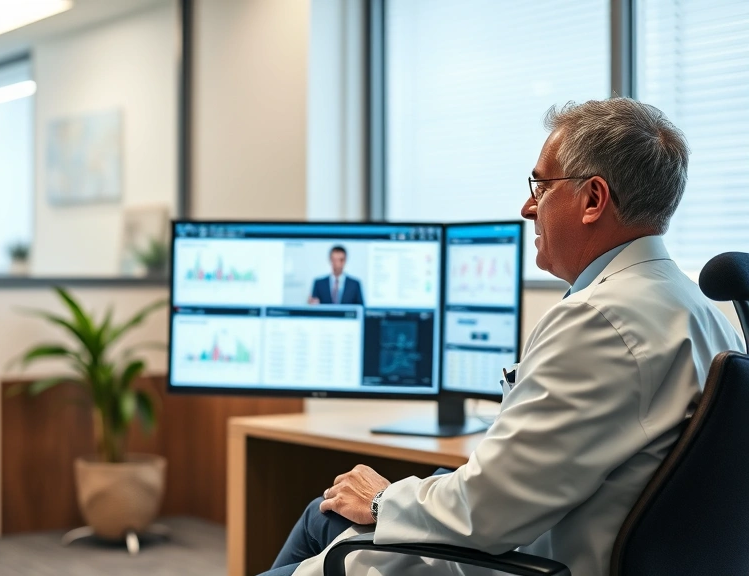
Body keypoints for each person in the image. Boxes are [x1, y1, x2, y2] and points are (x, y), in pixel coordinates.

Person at [261, 98, 746, 576]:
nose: (527, 206)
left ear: (593, 199)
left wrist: (384, 499)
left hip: (510, 559)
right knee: (323, 515)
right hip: (548, 538)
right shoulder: (700, 313)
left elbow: (483, 513)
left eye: (541, 185)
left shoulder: (601, 320)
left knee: (324, 520)